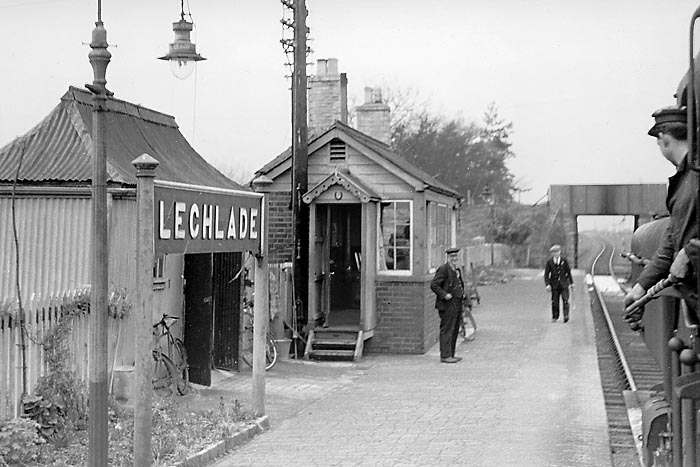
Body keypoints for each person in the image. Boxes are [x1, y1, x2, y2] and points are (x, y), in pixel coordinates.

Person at [623, 105, 698, 329]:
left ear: (664, 139)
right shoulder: (683, 182)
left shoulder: (693, 178)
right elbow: (669, 244)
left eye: (658, 142)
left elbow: (681, 248)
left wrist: (689, 253)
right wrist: (640, 287)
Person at [430, 247, 465, 363]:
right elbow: (434, 285)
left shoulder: (456, 269)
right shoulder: (443, 269)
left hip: (457, 302)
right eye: (452, 257)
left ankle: (451, 354)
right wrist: (444, 295)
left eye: (456, 257)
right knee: (447, 329)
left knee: (454, 329)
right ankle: (445, 355)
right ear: (448, 258)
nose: (454, 259)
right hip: (447, 304)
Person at [544, 244, 573, 323]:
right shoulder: (549, 262)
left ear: (560, 252)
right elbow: (546, 274)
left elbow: (568, 272)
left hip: (564, 284)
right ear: (552, 254)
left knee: (565, 300)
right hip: (554, 285)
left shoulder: (564, 261)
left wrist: (571, 282)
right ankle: (555, 316)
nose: (556, 254)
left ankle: (566, 316)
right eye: (554, 252)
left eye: (557, 252)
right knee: (555, 301)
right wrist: (547, 284)